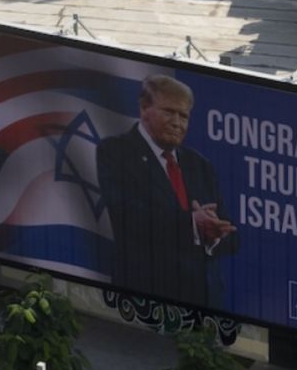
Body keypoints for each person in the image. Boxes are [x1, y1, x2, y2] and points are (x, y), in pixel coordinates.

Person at [96, 73, 238, 311]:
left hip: (203, 305)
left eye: (184, 116)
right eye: (169, 112)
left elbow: (233, 237)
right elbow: (130, 218)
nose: (177, 122)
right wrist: (193, 224)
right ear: (144, 109)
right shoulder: (116, 152)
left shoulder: (200, 166)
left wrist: (214, 235)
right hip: (145, 300)